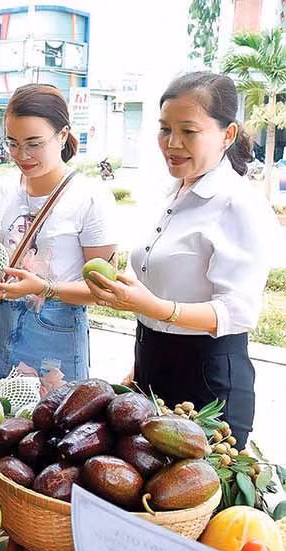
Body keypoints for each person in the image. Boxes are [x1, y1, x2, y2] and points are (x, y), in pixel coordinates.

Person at [85, 72, 277, 448]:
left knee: (193, 501)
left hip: (208, 382)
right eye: (164, 129)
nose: (172, 144)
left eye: (189, 131)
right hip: (152, 362)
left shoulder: (240, 204)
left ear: (227, 134)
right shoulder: (168, 192)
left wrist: (155, 307)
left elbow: (236, 313)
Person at [0, 83, 118, 387]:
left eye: (34, 143)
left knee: (57, 429)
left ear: (63, 135)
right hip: (1, 333)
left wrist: (45, 288)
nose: (21, 155)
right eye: (12, 143)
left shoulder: (90, 197)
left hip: (57, 339)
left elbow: (104, 291)